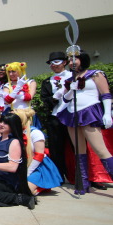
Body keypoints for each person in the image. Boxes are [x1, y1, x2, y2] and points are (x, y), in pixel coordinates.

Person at [56, 51, 113, 194]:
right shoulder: (70, 79)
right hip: (72, 114)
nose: (71, 63)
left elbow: (105, 94)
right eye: (69, 60)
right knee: (79, 151)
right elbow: (66, 99)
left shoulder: (95, 74)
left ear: (83, 59)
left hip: (89, 113)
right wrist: (71, 90)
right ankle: (83, 184)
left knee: (100, 150)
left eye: (74, 59)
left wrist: (107, 113)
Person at [13, 108, 62, 194]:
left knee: (24, 190)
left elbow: (39, 155)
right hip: (22, 165)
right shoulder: (16, 133)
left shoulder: (35, 133)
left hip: (38, 166)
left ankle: (40, 186)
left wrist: (28, 172)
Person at [40, 52, 72, 181]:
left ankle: (80, 175)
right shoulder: (47, 81)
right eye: (51, 63)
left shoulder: (73, 76)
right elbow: (45, 99)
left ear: (64, 62)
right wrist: (55, 97)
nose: (53, 65)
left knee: (76, 146)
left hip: (73, 115)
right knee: (55, 147)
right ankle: (59, 176)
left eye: (56, 62)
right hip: (55, 116)